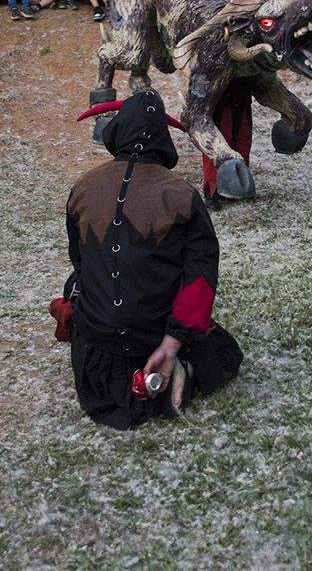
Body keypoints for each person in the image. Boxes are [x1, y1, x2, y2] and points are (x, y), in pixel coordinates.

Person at [56, 91, 243, 428]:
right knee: (225, 352)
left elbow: (80, 263)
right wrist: (172, 344)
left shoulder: (82, 188)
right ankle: (179, 367)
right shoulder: (182, 195)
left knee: (77, 283)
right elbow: (199, 279)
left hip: (97, 358)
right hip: (155, 341)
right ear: (162, 139)